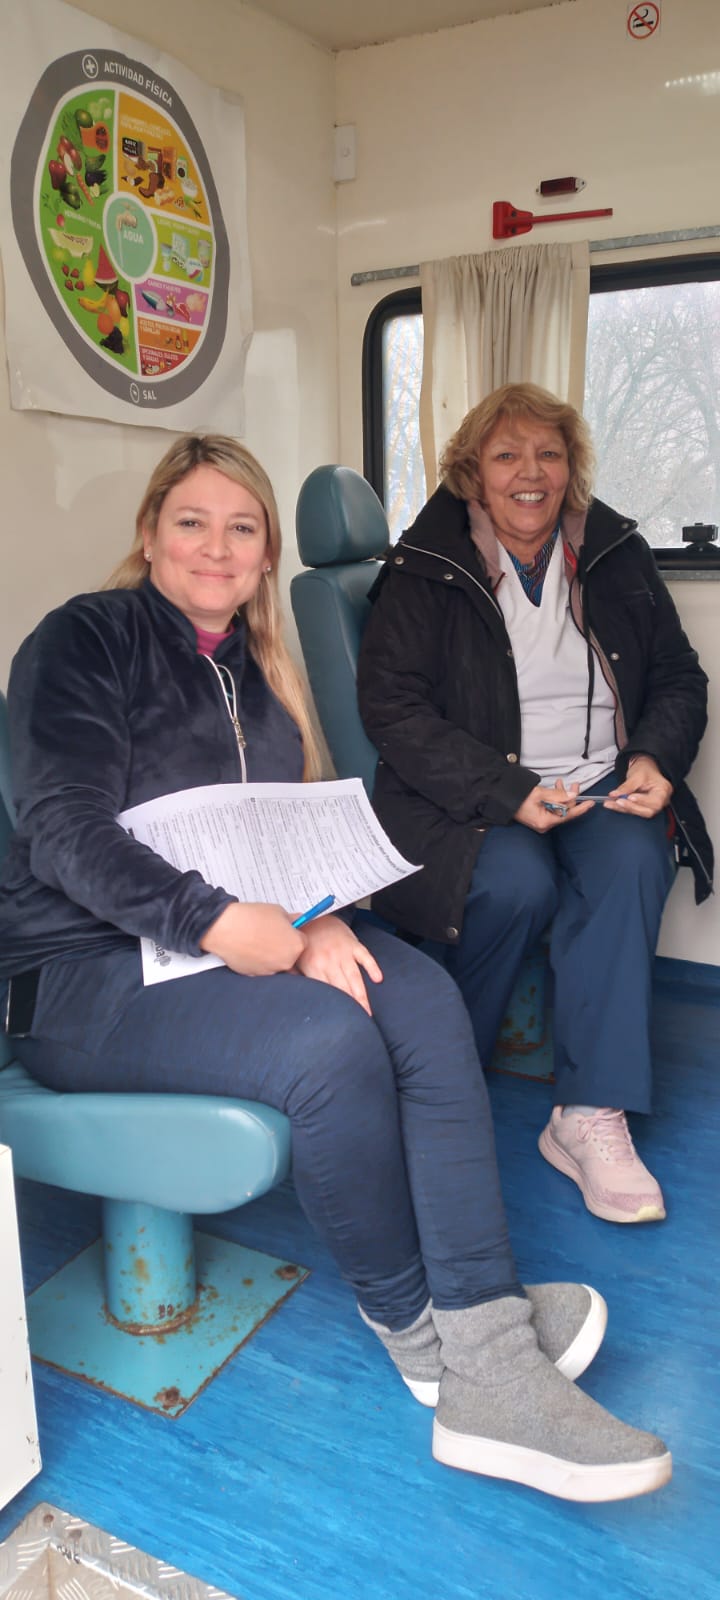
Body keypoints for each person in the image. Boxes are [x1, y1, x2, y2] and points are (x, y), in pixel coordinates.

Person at [0, 433, 671, 1503]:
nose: (217, 548)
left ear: (267, 553)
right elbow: (61, 832)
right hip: (84, 975)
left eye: (242, 529)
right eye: (192, 522)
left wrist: (317, 918)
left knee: (422, 996)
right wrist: (220, 921)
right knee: (330, 1045)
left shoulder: (260, 677)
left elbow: (266, 842)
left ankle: (485, 1329)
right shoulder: (85, 639)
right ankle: (419, 1331)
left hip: (202, 946)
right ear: (150, 533)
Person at [358, 382, 712, 1227]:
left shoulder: (616, 550)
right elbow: (393, 711)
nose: (531, 473)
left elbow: (678, 676)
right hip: (480, 794)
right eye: (507, 454)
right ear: (472, 471)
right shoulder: (425, 565)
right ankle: (446, 1074)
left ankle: (588, 1114)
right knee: (516, 884)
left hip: (601, 778)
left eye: (549, 454)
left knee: (631, 861)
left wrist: (653, 758)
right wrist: (510, 793)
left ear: (571, 468)